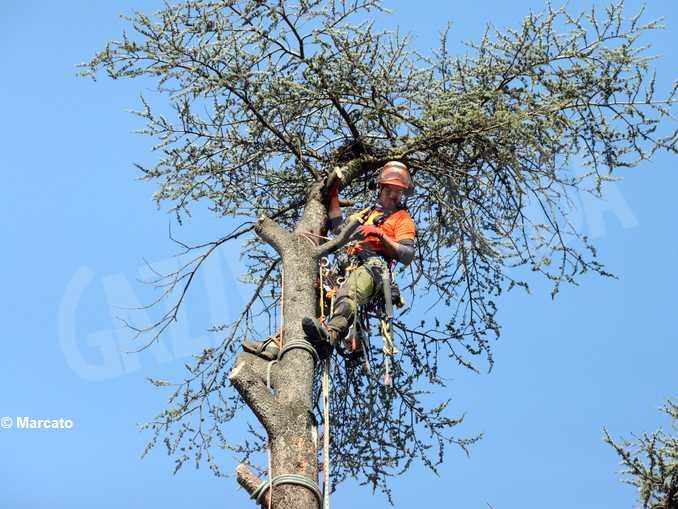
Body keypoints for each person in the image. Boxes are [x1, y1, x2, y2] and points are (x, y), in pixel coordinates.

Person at [302, 161, 417, 358]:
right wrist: (334, 196)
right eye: (390, 189)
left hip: (374, 268)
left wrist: (380, 235)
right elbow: (339, 229)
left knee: (349, 293)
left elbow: (407, 254)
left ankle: (331, 334)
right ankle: (279, 344)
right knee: (315, 299)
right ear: (379, 188)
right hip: (346, 268)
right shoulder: (364, 214)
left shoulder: (402, 219)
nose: (394, 195)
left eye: (399, 192)